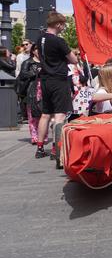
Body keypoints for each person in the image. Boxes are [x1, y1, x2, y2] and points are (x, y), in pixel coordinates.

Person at [34, 12, 78, 159]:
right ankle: (55, 149)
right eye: (63, 25)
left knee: (45, 114)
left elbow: (41, 58)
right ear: (58, 24)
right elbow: (74, 60)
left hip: (45, 79)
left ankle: (40, 148)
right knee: (59, 115)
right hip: (58, 80)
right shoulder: (59, 41)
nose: (64, 27)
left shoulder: (39, 39)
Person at [17, 44, 45, 144]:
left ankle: (43, 136)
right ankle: (34, 137)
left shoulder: (45, 62)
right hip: (32, 91)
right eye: (37, 49)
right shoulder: (28, 62)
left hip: (44, 91)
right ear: (33, 51)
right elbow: (22, 75)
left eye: (40, 49)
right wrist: (35, 73)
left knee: (44, 115)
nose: (38, 51)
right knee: (32, 116)